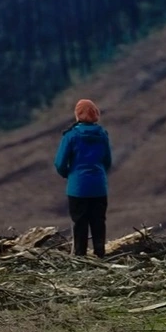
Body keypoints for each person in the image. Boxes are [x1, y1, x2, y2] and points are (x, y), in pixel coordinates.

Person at [54, 98, 112, 258]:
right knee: (98, 221)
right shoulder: (102, 134)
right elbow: (107, 161)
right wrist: (98, 174)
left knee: (80, 223)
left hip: (77, 187)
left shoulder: (71, 136)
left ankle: (80, 256)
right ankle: (100, 253)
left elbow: (59, 163)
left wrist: (69, 175)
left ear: (77, 115)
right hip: (99, 186)